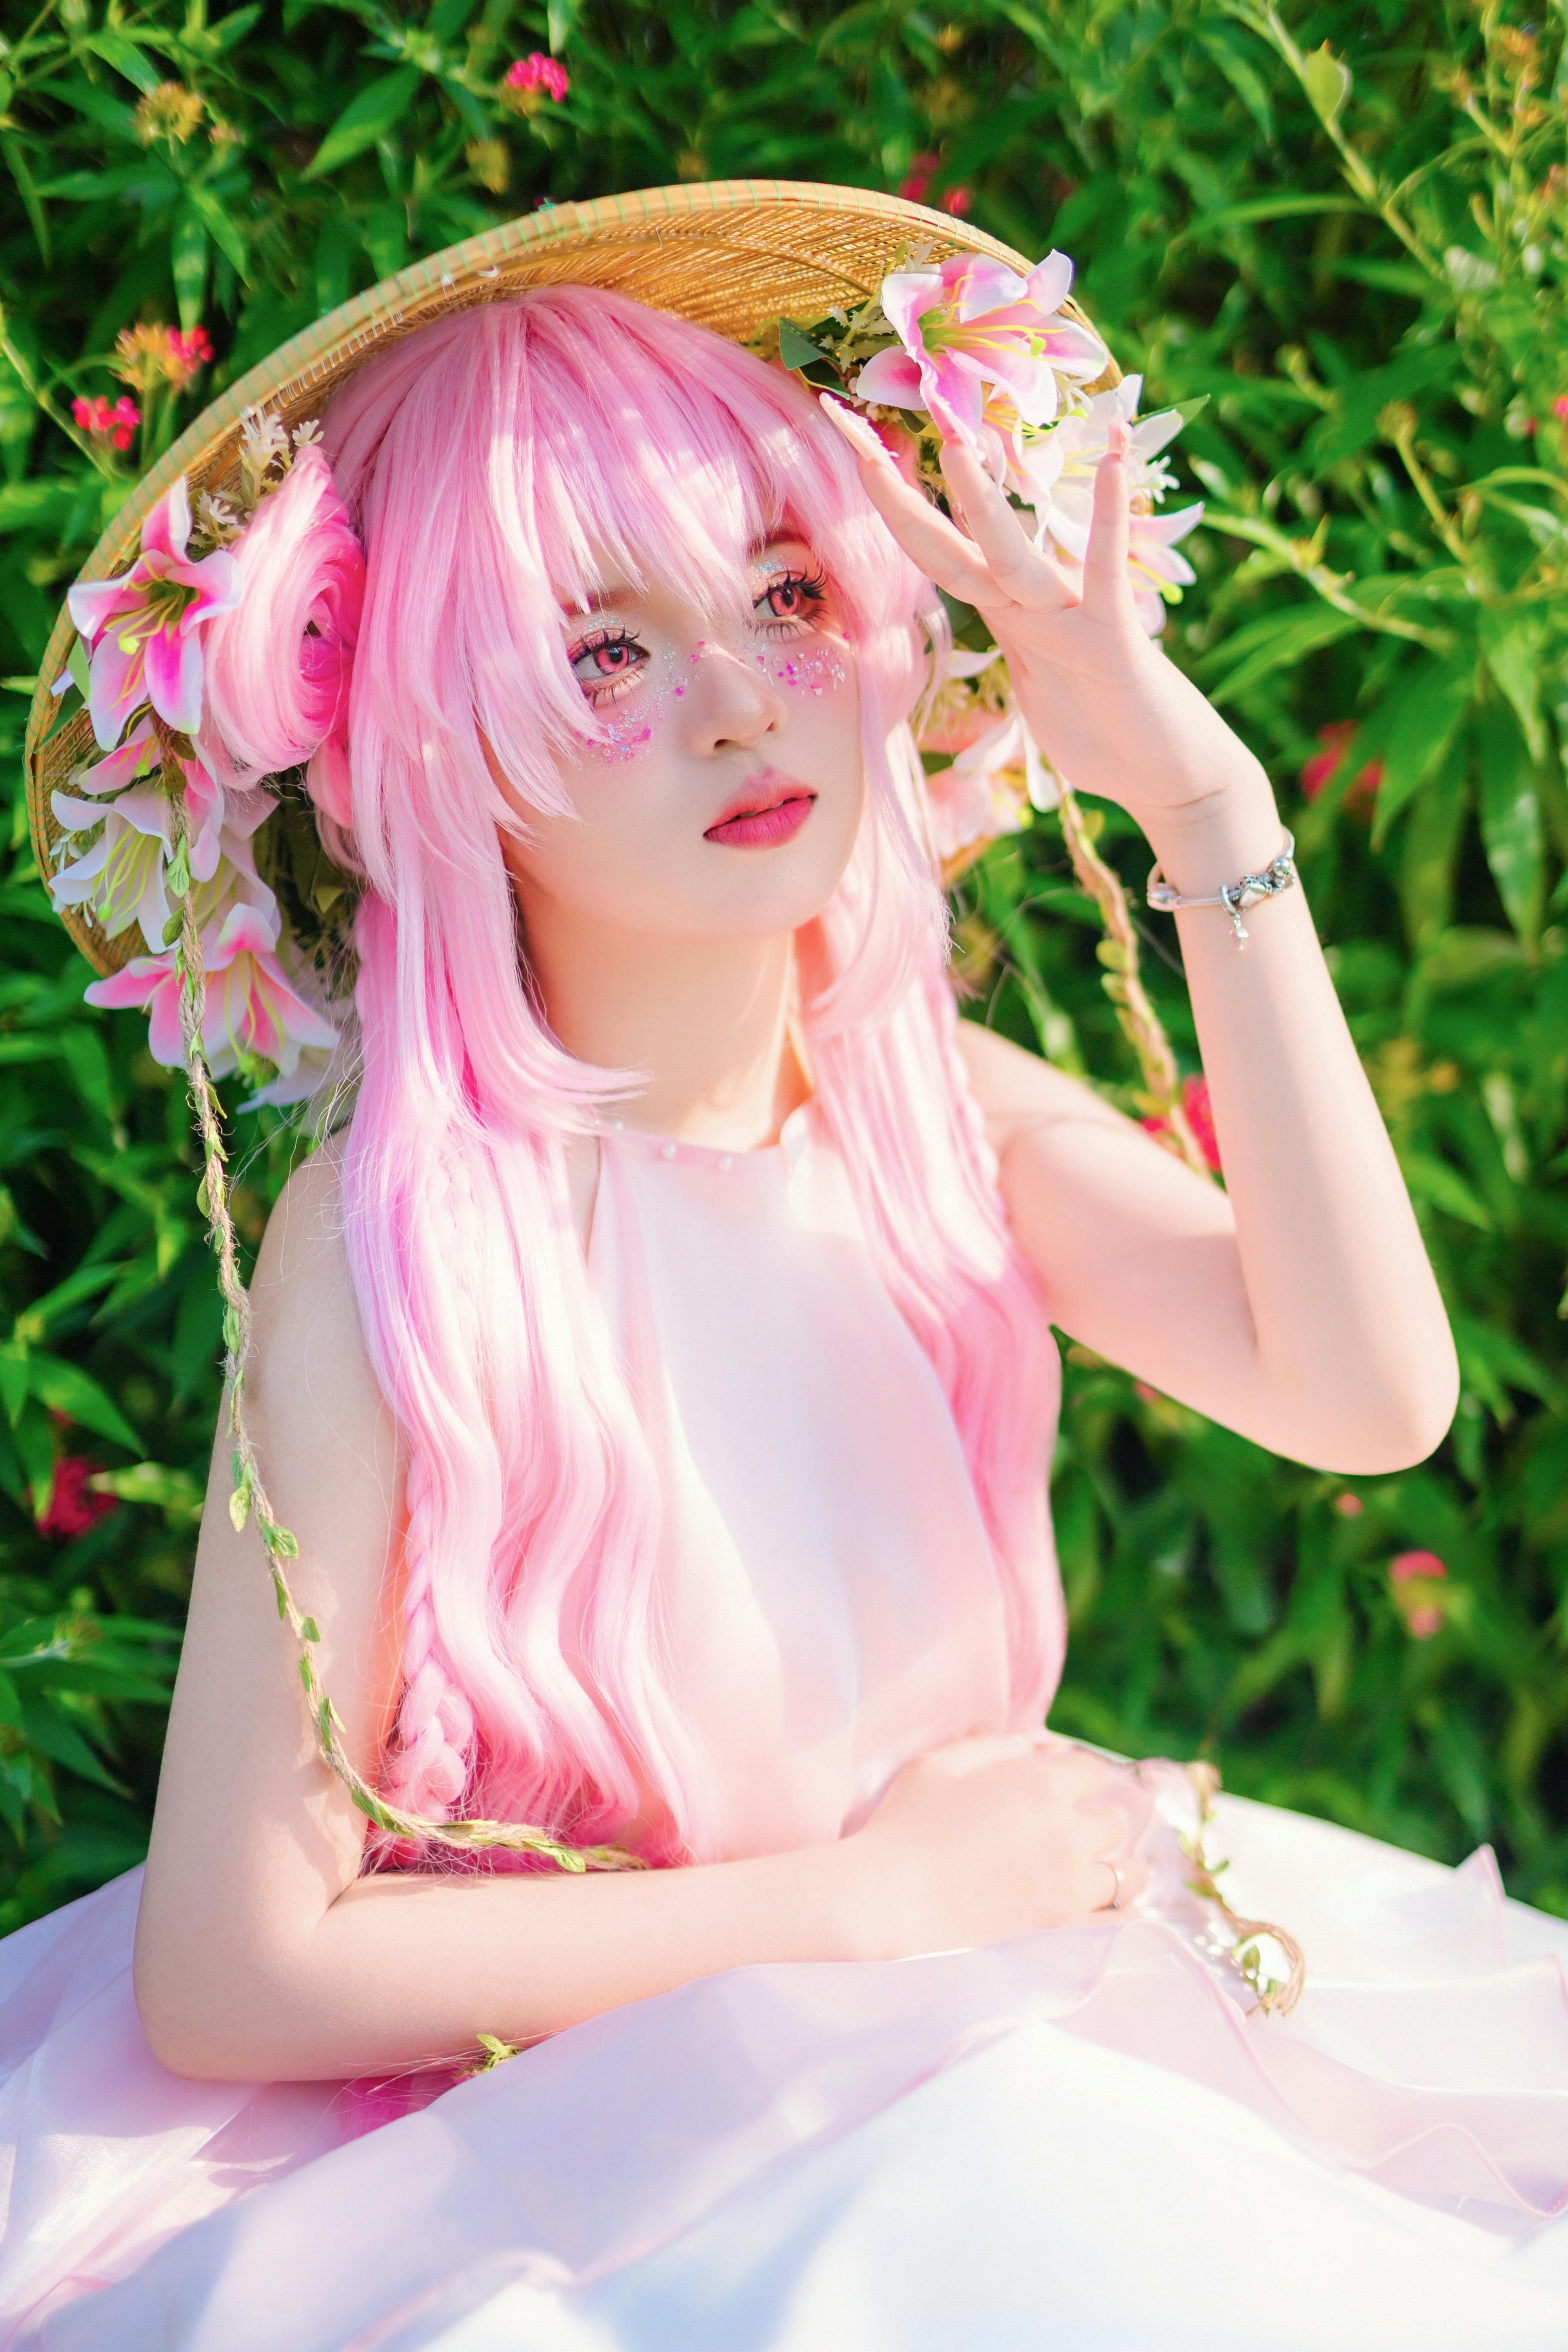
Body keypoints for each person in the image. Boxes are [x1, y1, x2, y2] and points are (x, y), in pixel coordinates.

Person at [3, 184, 1566, 2350]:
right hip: (610, 2119)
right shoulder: (407, 1246)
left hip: (994, 1997)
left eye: (783, 593)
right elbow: (235, 1964)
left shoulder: (937, 1115)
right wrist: (854, 1910)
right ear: (424, 750)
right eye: (605, 651)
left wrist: (1199, 806)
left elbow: (1369, 1397)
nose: (741, 702)